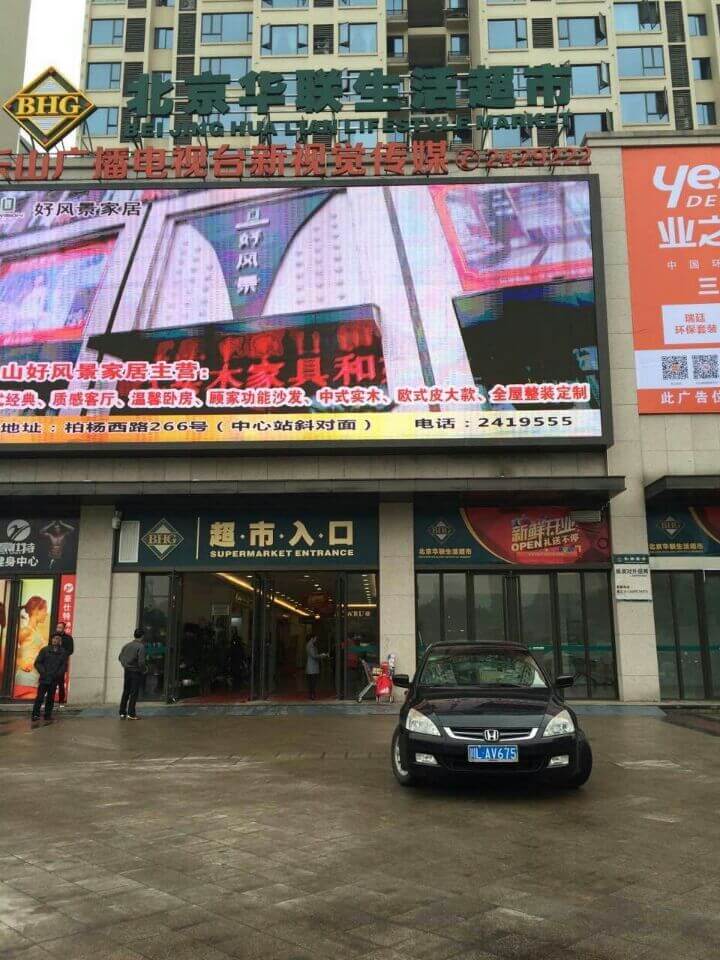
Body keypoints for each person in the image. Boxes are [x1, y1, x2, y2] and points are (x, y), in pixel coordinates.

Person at [31, 633, 68, 723]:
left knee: (50, 698)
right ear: (52, 640)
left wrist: (58, 674)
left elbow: (64, 666)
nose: (55, 640)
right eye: (54, 638)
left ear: (60, 641)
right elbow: (37, 663)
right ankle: (35, 714)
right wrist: (43, 672)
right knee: (40, 697)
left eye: (58, 639)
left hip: (54, 679)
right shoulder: (45, 650)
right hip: (44, 678)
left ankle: (47, 715)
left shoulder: (63, 652)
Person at [118, 628, 147, 720]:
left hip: (127, 671)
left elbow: (120, 657)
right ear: (142, 636)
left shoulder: (126, 645)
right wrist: (144, 670)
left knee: (126, 691)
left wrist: (125, 665)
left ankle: (122, 712)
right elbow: (141, 662)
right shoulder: (141, 647)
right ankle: (131, 713)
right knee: (134, 693)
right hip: (135, 672)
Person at [55, 620, 74, 709]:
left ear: (64, 628)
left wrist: (63, 654)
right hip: (52, 663)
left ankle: (61, 701)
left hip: (62, 663)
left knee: (61, 683)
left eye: (60, 627)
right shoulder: (53, 636)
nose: (58, 629)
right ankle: (48, 701)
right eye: (57, 627)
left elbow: (71, 650)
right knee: (50, 683)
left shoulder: (68, 638)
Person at [305, 634, 327, 701]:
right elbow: (314, 656)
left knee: (311, 682)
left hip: (311, 666)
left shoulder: (309, 645)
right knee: (313, 682)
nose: (316, 639)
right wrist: (322, 655)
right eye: (315, 638)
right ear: (312, 638)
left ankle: (311, 695)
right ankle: (312, 695)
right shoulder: (311, 645)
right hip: (312, 667)